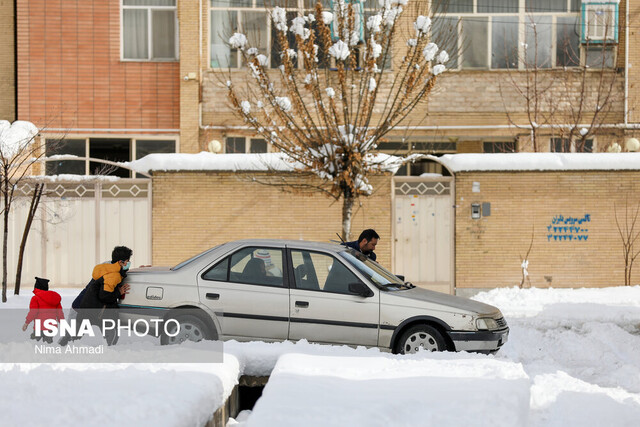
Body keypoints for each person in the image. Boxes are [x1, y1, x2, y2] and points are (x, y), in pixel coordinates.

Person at [60, 246, 132, 346]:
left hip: (81, 306)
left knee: (72, 337)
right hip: (83, 308)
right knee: (72, 338)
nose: (128, 264)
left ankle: (64, 346)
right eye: (128, 261)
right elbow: (105, 295)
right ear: (120, 262)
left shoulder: (106, 268)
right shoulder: (112, 275)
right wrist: (118, 293)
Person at [22, 277, 64, 344]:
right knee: (48, 346)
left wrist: (27, 322)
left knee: (33, 344)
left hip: (39, 327)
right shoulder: (54, 299)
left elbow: (33, 312)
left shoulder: (35, 298)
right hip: (51, 328)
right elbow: (59, 313)